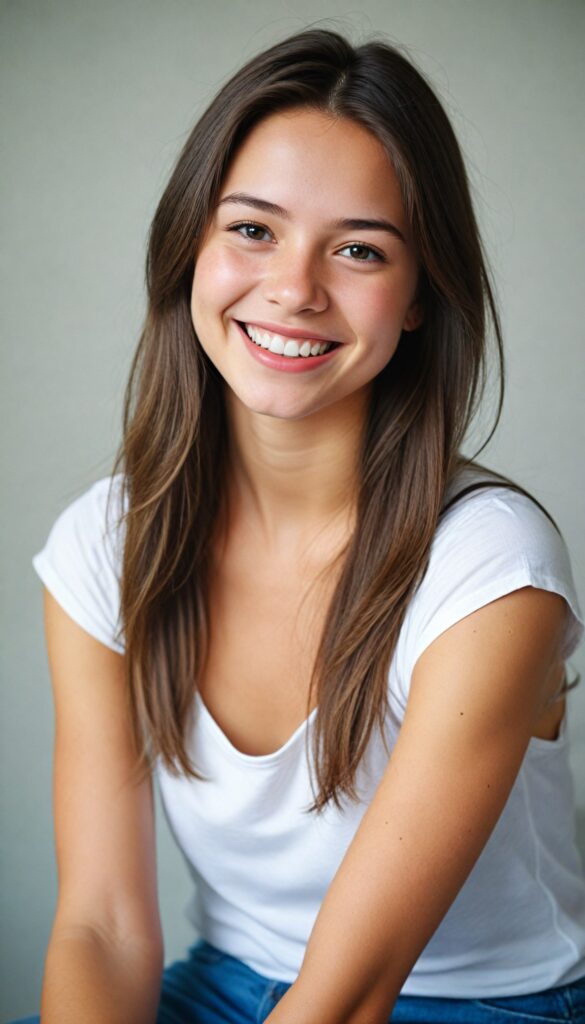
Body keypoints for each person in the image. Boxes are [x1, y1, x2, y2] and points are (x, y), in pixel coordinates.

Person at [17, 26, 585, 1024]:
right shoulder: (105, 544)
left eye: (360, 249)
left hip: (468, 1005)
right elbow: (101, 925)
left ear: (418, 296)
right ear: (190, 242)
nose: (293, 287)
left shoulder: (491, 566)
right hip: (225, 987)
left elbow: (349, 996)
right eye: (252, 229)